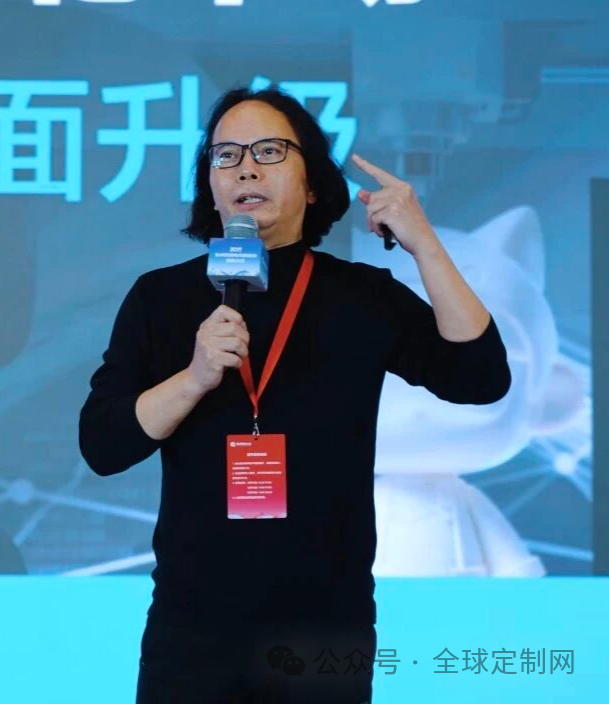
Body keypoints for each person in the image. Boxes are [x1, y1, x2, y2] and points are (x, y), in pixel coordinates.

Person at [78, 87, 511, 703]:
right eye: (225, 155)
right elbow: (102, 443)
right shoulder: (161, 297)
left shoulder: (363, 296)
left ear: (311, 184)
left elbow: (481, 377)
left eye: (269, 151)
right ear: (210, 186)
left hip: (324, 635)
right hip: (192, 633)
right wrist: (194, 377)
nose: (245, 168)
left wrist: (424, 243)